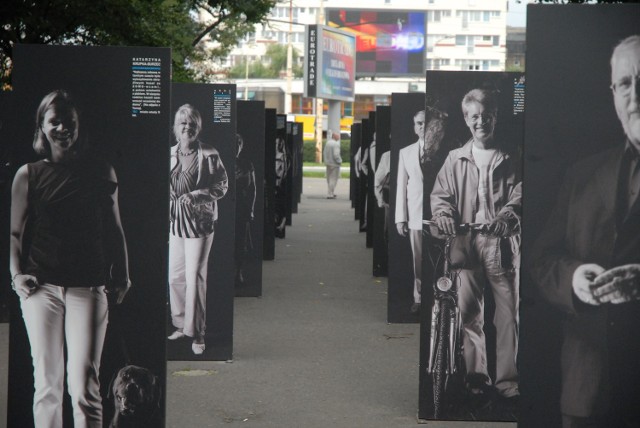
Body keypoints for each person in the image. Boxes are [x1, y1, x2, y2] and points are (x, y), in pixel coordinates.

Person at [529, 35, 640, 428]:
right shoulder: (583, 174)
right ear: (613, 93)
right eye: (625, 83)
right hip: (586, 393)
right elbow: (542, 260)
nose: (635, 95)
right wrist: (574, 278)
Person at [9, 89, 131, 427]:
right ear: (42, 127)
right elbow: (15, 233)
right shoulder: (27, 174)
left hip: (89, 287)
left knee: (84, 387)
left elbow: (115, 229)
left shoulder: (101, 171)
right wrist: (16, 274)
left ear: (79, 126)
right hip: (41, 289)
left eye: (69, 121)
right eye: (55, 121)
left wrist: (123, 275)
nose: (63, 127)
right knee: (47, 385)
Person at [431, 88, 521, 403]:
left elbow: (523, 192)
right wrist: (442, 214)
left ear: (495, 116)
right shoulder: (454, 159)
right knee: (469, 313)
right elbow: (440, 195)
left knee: (508, 314)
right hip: (465, 242)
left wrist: (508, 215)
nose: (480, 121)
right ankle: (476, 377)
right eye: (474, 116)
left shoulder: (512, 156)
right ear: (467, 120)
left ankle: (507, 381)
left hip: (501, 244)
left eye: (486, 115)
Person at [167, 104, 228, 355]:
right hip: (175, 222)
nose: (187, 127)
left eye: (192, 123)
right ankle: (181, 324)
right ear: (176, 127)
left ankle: (198, 333)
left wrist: (197, 195)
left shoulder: (209, 153)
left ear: (198, 127)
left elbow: (222, 185)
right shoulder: (169, 154)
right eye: (183, 123)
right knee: (175, 277)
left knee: (195, 277)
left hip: (200, 223)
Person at [395, 109, 448, 314]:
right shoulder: (405, 152)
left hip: (439, 214)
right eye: (418, 123)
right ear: (414, 126)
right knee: (418, 258)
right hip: (416, 214)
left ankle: (441, 298)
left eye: (425, 123)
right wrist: (401, 219)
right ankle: (419, 297)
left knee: (441, 258)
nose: (421, 127)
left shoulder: (443, 151)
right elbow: (401, 187)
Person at [234, 133, 256, 287]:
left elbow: (253, 188)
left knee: (241, 241)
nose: (236, 147)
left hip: (242, 205)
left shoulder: (247, 163)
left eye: (238, 144)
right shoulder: (220, 160)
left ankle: (238, 271)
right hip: (224, 205)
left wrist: (251, 209)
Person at [323, 130, 342, 199]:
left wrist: (326, 161)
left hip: (328, 163)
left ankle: (330, 192)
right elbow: (336, 154)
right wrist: (340, 161)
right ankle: (330, 194)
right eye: (338, 135)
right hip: (335, 164)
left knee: (329, 179)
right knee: (333, 179)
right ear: (334, 136)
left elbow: (324, 153)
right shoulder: (336, 144)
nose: (339, 136)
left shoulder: (328, 143)